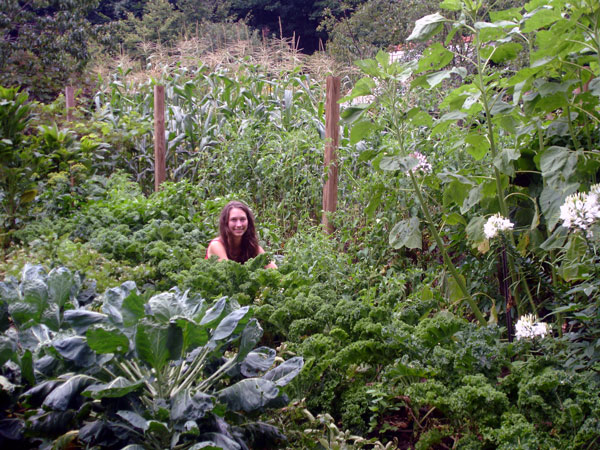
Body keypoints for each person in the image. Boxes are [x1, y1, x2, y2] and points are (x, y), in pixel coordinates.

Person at [205, 201, 277, 269]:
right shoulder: (216, 245)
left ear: (248, 222)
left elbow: (275, 271)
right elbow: (229, 273)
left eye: (242, 219)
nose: (239, 225)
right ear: (226, 222)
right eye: (233, 220)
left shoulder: (252, 246)